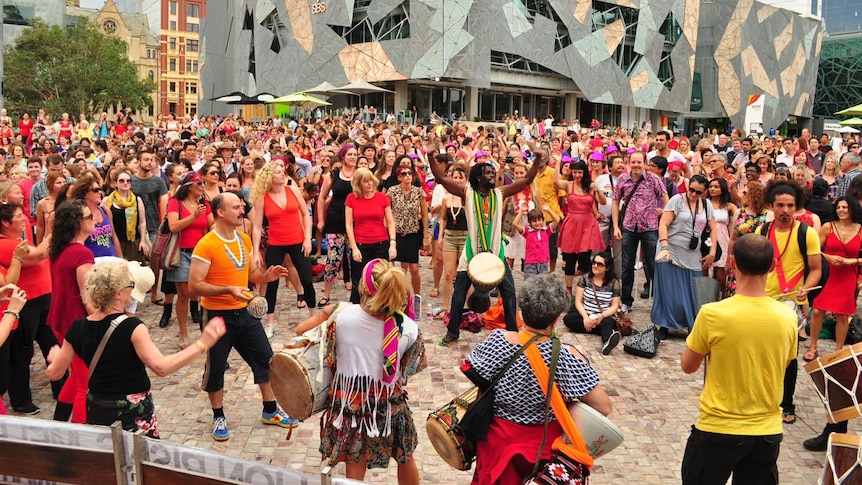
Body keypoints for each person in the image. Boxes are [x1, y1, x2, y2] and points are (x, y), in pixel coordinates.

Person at [45, 261, 227, 437]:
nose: (132, 291)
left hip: (99, 408)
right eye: (130, 285)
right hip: (132, 411)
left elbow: (55, 373)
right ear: (117, 293)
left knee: (109, 460)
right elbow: (161, 367)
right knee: (142, 462)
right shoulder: (132, 327)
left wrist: (54, 357)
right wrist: (201, 344)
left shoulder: (78, 327)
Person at [466, 274, 611, 484]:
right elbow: (604, 406)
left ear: (522, 311)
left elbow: (473, 370)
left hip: (497, 444)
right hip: (542, 450)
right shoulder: (566, 356)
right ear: (556, 319)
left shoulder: (497, 342)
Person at [680, 234, 797, 485]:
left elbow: (688, 366)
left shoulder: (713, 314)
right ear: (772, 266)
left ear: (732, 263)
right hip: (766, 432)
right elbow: (784, 364)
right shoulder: (787, 317)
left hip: (718, 428)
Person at [189, 192, 296, 441]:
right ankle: (218, 416)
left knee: (267, 361)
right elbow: (194, 285)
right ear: (220, 213)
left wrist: (266, 277)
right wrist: (227, 290)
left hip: (246, 314)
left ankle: (270, 410)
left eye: (242, 206)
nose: (242, 210)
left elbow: (252, 274)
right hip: (217, 316)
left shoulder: (244, 239)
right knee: (215, 368)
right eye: (236, 207)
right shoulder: (206, 244)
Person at [318, 258, 427, 483]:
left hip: (350, 404)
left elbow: (329, 358)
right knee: (405, 456)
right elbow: (409, 370)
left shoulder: (341, 317)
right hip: (388, 404)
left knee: (354, 463)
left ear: (364, 287)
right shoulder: (409, 327)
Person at [430, 152, 544, 346]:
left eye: (493, 172)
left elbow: (527, 180)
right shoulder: (467, 193)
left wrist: (538, 159)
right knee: (458, 295)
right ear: (477, 177)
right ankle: (452, 333)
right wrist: (431, 157)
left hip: (496, 255)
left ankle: (512, 333)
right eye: (488, 173)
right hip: (471, 255)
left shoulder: (500, 193)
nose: (493, 175)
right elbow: (440, 178)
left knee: (509, 293)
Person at [755, 181, 821, 426]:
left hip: (792, 302)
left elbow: (815, 270)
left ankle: (786, 403)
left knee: (789, 355)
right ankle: (764, 397)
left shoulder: (807, 233)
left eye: (790, 205)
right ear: (771, 206)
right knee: (762, 351)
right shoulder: (763, 231)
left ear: (796, 207)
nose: (785, 210)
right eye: (780, 205)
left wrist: (805, 289)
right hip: (764, 299)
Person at [250, 163, 316, 337]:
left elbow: (305, 213)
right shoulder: (262, 197)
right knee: (272, 284)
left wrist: (308, 238)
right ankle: (270, 322)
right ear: (268, 177)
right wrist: (256, 251)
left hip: (298, 241)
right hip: (276, 243)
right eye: (278, 172)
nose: (282, 174)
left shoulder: (292, 190)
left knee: (307, 280)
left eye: (282, 172)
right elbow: (256, 227)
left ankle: (314, 318)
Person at [46, 200, 95, 423]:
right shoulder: (81, 253)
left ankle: (59, 423)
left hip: (60, 320)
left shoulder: (60, 249)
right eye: (88, 217)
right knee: (85, 384)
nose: (93, 219)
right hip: (77, 326)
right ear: (77, 223)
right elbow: (88, 297)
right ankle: (79, 437)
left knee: (75, 377)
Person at [653, 175, 717, 338]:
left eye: (698, 192)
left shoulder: (707, 205)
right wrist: (665, 246)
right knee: (669, 290)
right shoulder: (677, 200)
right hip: (671, 249)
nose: (693, 194)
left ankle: (691, 323)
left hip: (692, 252)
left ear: (704, 193)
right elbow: (663, 224)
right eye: (691, 190)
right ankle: (665, 325)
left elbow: (713, 229)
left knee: (692, 290)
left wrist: (712, 253)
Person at [806, 196, 862, 361]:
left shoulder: (860, 229)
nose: (841, 210)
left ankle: (838, 351)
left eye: (845, 207)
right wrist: (828, 257)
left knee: (842, 315)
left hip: (848, 275)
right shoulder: (827, 227)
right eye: (838, 207)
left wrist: (853, 261)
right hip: (828, 274)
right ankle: (813, 346)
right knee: (817, 311)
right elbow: (814, 248)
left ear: (852, 209)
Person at [612, 151, 669, 313]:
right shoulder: (623, 179)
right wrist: (616, 226)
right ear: (628, 162)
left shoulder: (654, 179)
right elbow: (615, 203)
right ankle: (626, 301)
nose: (636, 165)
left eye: (639, 162)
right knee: (627, 266)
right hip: (629, 227)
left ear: (645, 163)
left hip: (650, 228)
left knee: (652, 265)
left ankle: (659, 302)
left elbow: (667, 202)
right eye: (633, 162)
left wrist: (663, 215)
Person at [166, 171, 213, 348]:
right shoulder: (175, 203)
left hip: (201, 253)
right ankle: (183, 332)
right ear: (188, 186)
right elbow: (173, 226)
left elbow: (211, 225)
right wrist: (193, 216)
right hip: (182, 252)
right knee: (184, 294)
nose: (202, 186)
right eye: (199, 183)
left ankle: (205, 330)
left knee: (202, 293)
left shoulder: (204, 204)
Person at [345, 168, 397, 304]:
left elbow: (391, 222)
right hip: (361, 243)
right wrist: (354, 247)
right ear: (358, 183)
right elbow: (348, 225)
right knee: (358, 281)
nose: (369, 184)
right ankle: (357, 310)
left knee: (381, 279)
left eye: (370, 180)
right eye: (365, 181)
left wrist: (392, 243)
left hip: (381, 242)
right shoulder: (351, 198)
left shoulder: (382, 198)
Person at [555, 160, 607, 293]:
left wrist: (598, 190)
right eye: (575, 172)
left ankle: (584, 287)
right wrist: (557, 163)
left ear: (584, 172)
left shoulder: (589, 186)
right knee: (570, 257)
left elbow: (603, 201)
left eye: (580, 172)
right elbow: (556, 182)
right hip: (572, 222)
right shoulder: (568, 184)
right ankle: (568, 289)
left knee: (585, 256)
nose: (577, 175)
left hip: (587, 223)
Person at [316, 143, 358, 307]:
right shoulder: (333, 174)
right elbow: (321, 198)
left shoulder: (360, 174)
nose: (353, 157)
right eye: (349, 154)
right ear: (343, 156)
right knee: (333, 258)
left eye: (355, 154)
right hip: (335, 219)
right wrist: (320, 219)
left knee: (354, 258)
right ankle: (326, 293)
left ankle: (356, 293)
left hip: (355, 221)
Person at [563, 250, 622, 354]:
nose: (595, 266)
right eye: (594, 263)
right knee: (569, 319)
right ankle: (599, 329)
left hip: (603, 316)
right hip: (585, 313)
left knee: (608, 323)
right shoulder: (585, 278)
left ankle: (607, 341)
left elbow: (615, 306)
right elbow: (578, 301)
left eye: (599, 264)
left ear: (607, 268)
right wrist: (586, 317)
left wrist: (602, 316)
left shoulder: (614, 283)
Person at [386, 166, 429, 294]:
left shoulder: (418, 192)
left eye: (410, 173)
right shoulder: (392, 191)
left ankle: (417, 295)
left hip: (412, 233)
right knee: (397, 268)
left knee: (414, 268)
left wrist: (426, 236)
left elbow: (425, 215)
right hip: (396, 233)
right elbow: (387, 212)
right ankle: (400, 294)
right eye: (404, 174)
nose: (407, 176)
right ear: (399, 177)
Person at [103, 167, 151, 263]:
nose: (125, 183)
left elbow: (142, 222)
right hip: (115, 242)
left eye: (128, 181)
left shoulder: (137, 199)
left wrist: (142, 241)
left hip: (133, 242)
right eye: (121, 181)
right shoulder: (107, 201)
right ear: (115, 183)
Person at [706, 177, 737, 298]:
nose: (712, 189)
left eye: (716, 187)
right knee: (704, 271)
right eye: (711, 186)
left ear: (722, 189)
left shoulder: (728, 206)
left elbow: (739, 211)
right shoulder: (704, 203)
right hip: (707, 238)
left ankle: (723, 299)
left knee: (721, 276)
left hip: (723, 239)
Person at [513, 204, 560, 279]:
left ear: (543, 220)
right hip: (530, 265)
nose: (537, 223)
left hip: (543, 264)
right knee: (530, 286)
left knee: (542, 286)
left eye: (539, 220)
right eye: (534, 221)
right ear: (530, 222)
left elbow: (557, 220)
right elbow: (515, 223)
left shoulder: (546, 231)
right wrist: (521, 211)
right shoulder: (527, 232)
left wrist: (548, 210)